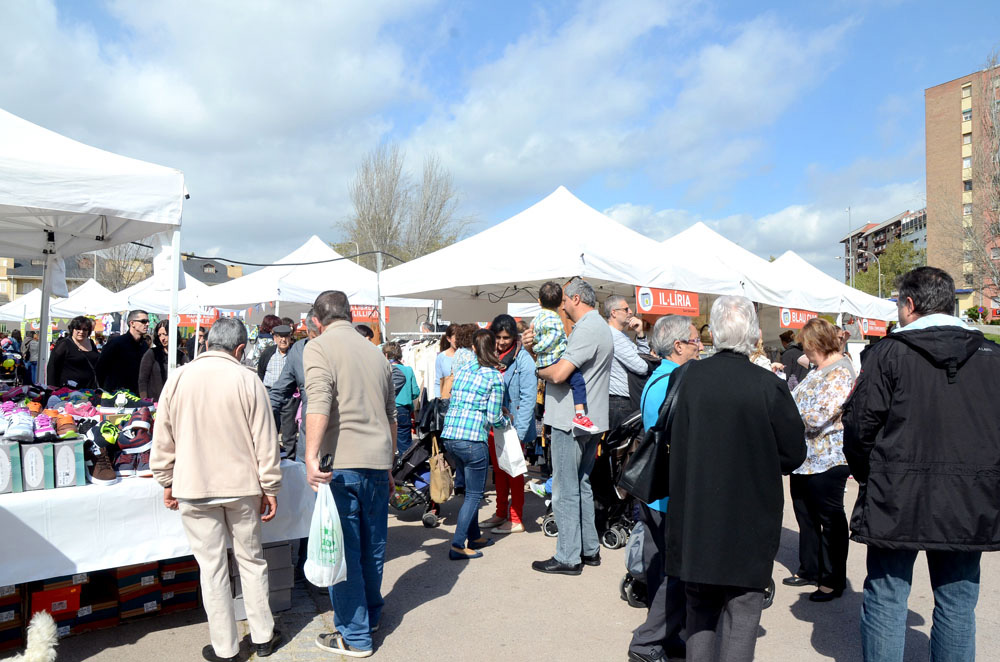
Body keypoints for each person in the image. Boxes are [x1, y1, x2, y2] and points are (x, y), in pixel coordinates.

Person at [843, 267, 1000, 662]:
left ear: (909, 304)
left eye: (898, 303)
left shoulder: (886, 354)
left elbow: (859, 427)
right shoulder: (992, 358)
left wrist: (872, 477)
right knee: (957, 601)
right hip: (968, 495)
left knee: (887, 597)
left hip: (898, 495)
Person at [665, 296, 805, 662]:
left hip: (696, 517)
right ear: (755, 336)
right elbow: (794, 454)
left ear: (714, 332)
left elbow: (667, 434)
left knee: (700, 614)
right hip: (749, 521)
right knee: (742, 615)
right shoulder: (767, 385)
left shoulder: (686, 376)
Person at [150, 318, 282, 662]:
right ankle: (263, 636)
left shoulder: (178, 378)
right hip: (241, 488)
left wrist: (166, 479)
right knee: (252, 562)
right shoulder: (247, 379)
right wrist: (270, 487)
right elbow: (266, 441)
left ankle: (225, 648)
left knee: (212, 569)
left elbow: (162, 436)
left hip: (194, 486)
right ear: (240, 349)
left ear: (208, 343)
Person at [304, 291, 396, 658]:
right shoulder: (376, 352)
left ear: (317, 320)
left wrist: (311, 454)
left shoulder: (319, 347)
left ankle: (355, 635)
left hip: (340, 463)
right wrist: (389, 463)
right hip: (375, 460)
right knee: (372, 547)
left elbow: (319, 402)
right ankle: (369, 617)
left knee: (342, 550)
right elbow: (392, 415)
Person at [526, 277, 613, 575]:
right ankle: (588, 549)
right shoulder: (595, 326)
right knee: (581, 484)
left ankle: (568, 556)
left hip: (570, 422)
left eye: (564, 299)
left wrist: (537, 367)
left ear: (576, 299)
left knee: (564, 488)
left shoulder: (587, 328)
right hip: (590, 420)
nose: (562, 305)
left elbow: (561, 373)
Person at [628, 315, 702, 662]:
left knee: (664, 568)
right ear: (678, 346)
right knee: (679, 573)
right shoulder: (672, 381)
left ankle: (666, 637)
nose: (700, 345)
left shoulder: (658, 378)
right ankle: (646, 642)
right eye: (695, 340)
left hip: (657, 492)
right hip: (669, 492)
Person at [784, 318, 855, 602]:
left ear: (816, 344)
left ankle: (832, 579)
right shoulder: (818, 366)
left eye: (807, 345)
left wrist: (786, 415)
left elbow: (816, 417)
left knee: (830, 519)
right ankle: (810, 568)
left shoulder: (840, 370)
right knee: (806, 516)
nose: (804, 350)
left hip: (828, 458)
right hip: (805, 457)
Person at [441, 329, 508, 559]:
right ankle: (458, 544)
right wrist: (507, 420)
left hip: (450, 437)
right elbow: (494, 417)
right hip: (472, 439)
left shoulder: (462, 371)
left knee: (470, 491)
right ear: (494, 348)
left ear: (473, 348)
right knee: (474, 495)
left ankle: (475, 535)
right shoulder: (494, 376)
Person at [480, 314, 537, 535]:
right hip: (494, 426)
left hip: (514, 428)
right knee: (500, 471)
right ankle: (501, 512)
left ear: (514, 336)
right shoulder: (490, 356)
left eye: (506, 337)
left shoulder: (524, 360)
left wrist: (520, 435)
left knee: (514, 473)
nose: (502, 341)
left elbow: (528, 400)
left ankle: (516, 519)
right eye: (498, 336)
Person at [531, 281, 597, 433]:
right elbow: (552, 337)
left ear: (539, 301)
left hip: (543, 360)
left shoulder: (537, 318)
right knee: (577, 381)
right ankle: (580, 414)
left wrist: (535, 348)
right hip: (554, 357)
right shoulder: (554, 319)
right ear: (561, 303)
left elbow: (534, 335)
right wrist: (538, 347)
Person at [269, 313, 320, 461]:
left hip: (340, 447)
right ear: (308, 332)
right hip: (307, 445)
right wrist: (260, 412)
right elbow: (280, 389)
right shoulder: (299, 350)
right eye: (314, 337)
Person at [604, 295, 650, 430]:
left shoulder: (621, 335)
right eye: (626, 309)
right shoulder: (614, 336)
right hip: (619, 402)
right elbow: (642, 367)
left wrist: (640, 334)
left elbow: (644, 359)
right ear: (613, 312)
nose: (630, 312)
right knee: (620, 448)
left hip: (623, 400)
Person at [96, 310, 150, 394]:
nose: (147, 324)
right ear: (132, 323)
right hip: (116, 393)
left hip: (137, 393)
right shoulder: (117, 343)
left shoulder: (144, 345)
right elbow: (100, 367)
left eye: (147, 321)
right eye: (143, 321)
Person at [382, 342, 420, 456]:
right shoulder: (408, 370)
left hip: (386, 410)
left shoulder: (384, 369)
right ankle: (405, 471)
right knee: (405, 447)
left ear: (386, 355)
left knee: (386, 445)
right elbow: (416, 392)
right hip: (404, 410)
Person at [138, 320, 189, 401]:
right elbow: (143, 380)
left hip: (175, 401)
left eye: (165, 334)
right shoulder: (152, 353)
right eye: (160, 335)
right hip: (154, 402)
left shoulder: (181, 356)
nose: (162, 338)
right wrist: (144, 400)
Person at [47, 316, 100, 389]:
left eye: (85, 329)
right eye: (78, 328)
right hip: (69, 389)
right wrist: (52, 388)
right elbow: (52, 367)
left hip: (91, 388)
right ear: (72, 329)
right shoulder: (64, 344)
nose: (81, 332)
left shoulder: (91, 343)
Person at [257, 324, 293, 390]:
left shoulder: (294, 354)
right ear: (275, 338)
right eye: (280, 337)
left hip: (288, 393)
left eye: (286, 336)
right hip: (269, 392)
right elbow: (261, 372)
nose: (283, 339)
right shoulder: (268, 353)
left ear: (290, 338)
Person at [433, 324, 458, 399]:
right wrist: (438, 399)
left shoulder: (466, 356)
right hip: (446, 400)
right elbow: (438, 381)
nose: (458, 340)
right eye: (455, 337)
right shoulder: (441, 357)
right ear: (448, 339)